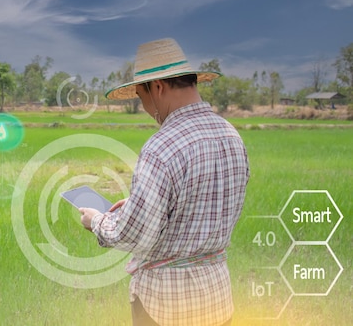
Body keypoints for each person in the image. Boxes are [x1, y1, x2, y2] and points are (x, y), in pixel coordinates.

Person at [79, 38, 249, 326]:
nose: (145, 106)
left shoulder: (162, 148)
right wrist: (135, 206)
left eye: (141, 96)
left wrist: (96, 220)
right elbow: (198, 207)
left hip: (165, 306)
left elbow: (130, 235)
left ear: (157, 87)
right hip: (218, 299)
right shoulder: (231, 136)